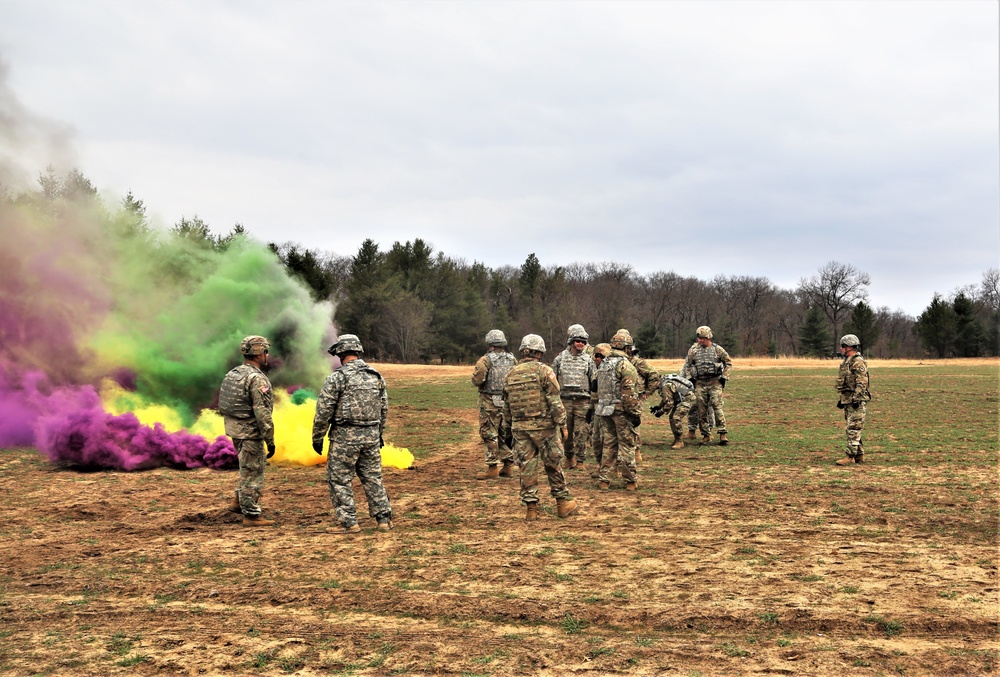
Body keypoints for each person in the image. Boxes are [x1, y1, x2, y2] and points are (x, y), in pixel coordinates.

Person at [312, 334, 393, 533]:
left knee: (339, 480)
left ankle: (349, 523)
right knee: (373, 477)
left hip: (344, 438)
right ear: (357, 351)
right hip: (371, 436)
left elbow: (324, 411)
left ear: (340, 353)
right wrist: (378, 433)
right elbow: (383, 408)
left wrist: (317, 436)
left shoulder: (337, 378)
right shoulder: (376, 376)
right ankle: (383, 519)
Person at [502, 334, 578, 520]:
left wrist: (508, 427)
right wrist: (562, 424)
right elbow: (554, 400)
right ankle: (562, 503)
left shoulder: (511, 374)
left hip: (520, 428)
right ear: (540, 352)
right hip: (544, 427)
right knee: (553, 464)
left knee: (527, 467)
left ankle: (531, 509)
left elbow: (507, 405)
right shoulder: (544, 371)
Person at [218, 335, 276, 527]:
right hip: (250, 432)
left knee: (246, 468)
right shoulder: (256, 378)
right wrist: (270, 438)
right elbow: (262, 412)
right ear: (259, 354)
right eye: (265, 351)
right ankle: (251, 515)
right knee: (253, 472)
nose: (267, 355)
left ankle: (237, 502)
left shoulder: (234, 374)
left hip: (235, 430)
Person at [594, 330, 642, 491]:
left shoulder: (604, 364)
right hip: (621, 411)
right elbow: (629, 393)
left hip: (604, 410)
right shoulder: (625, 365)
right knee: (627, 445)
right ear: (627, 348)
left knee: (608, 445)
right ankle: (630, 481)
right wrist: (635, 413)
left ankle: (604, 480)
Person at [470, 329, 517, 480]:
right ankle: (508, 466)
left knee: (489, 434)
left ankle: (492, 467)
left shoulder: (485, 360)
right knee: (504, 434)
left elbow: (478, 380)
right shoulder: (512, 359)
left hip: (490, 401)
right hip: (507, 401)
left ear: (490, 344)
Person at [551, 324, 596, 471]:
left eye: (583, 342)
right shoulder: (560, 358)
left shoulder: (589, 360)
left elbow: (594, 380)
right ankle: (569, 457)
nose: (581, 344)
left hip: (583, 401)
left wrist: (593, 401)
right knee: (566, 432)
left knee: (582, 432)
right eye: (578, 341)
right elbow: (552, 378)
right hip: (565, 400)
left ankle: (580, 460)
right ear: (571, 342)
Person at [683, 326, 733, 445]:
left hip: (714, 382)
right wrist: (691, 379)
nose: (700, 340)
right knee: (702, 410)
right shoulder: (694, 351)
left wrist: (724, 377)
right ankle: (706, 435)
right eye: (699, 338)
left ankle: (722, 433)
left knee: (717, 407)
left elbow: (729, 363)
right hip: (700, 383)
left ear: (708, 337)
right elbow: (688, 365)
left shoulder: (717, 350)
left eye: (703, 338)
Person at [835, 334, 872, 466]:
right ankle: (859, 455)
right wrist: (842, 399)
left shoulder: (857, 362)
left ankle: (850, 456)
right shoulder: (847, 361)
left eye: (843, 346)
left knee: (853, 428)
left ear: (850, 347)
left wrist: (857, 398)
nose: (841, 348)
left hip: (856, 400)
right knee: (853, 427)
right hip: (848, 400)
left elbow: (862, 382)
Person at [651, 373, 697, 449]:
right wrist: (658, 407)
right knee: (672, 417)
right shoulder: (665, 383)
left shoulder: (665, 385)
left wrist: (660, 412)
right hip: (682, 399)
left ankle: (679, 441)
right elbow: (667, 398)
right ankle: (677, 439)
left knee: (676, 417)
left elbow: (669, 403)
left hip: (687, 399)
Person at [588, 343, 611, 479]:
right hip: (597, 409)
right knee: (596, 440)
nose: (596, 358)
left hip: (609, 410)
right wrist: (590, 410)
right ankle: (601, 465)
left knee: (608, 441)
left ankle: (612, 468)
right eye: (595, 356)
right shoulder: (596, 371)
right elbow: (593, 394)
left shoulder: (612, 371)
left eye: (600, 356)